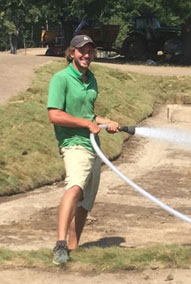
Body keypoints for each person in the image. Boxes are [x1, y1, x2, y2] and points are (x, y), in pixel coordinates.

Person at [47, 34, 119, 265]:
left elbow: (89, 114)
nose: (87, 55)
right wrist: (87, 124)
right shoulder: (61, 79)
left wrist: (104, 121)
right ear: (71, 53)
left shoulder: (91, 78)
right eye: (82, 51)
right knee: (75, 187)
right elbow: (55, 114)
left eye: (90, 51)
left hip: (93, 145)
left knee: (86, 201)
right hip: (74, 144)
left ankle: (73, 248)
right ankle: (60, 245)